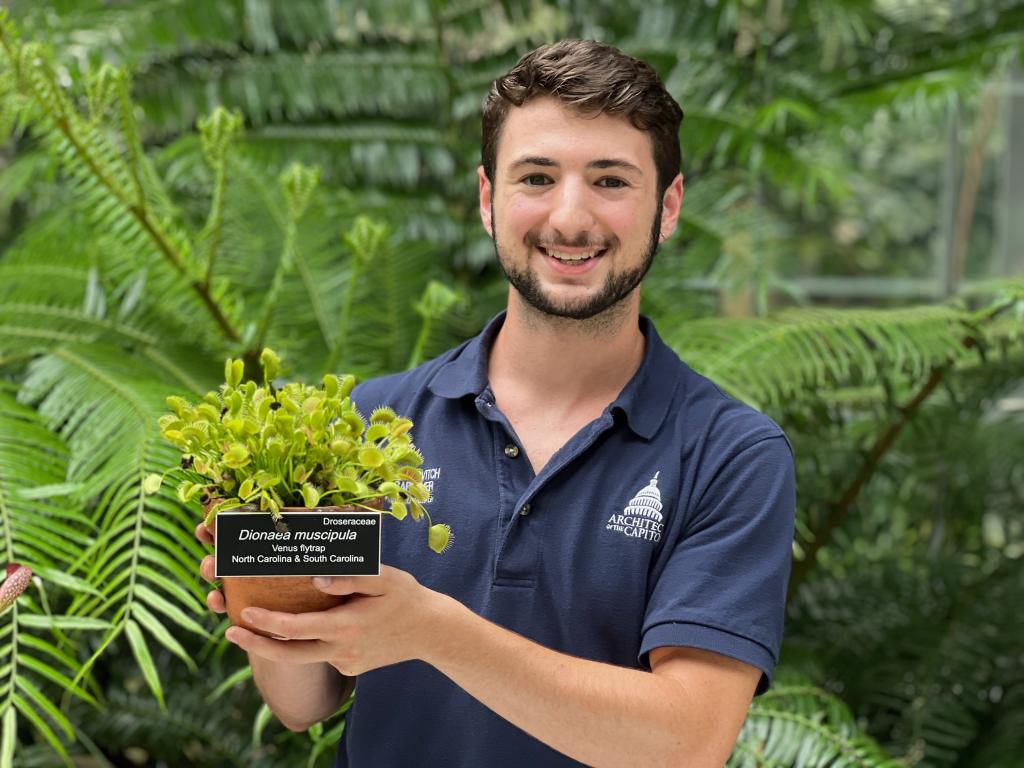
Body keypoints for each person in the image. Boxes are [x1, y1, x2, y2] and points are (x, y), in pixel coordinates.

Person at [197, 39, 795, 768]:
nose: (570, 218)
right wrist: (269, 594)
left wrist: (435, 631)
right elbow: (304, 702)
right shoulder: (364, 425)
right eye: (537, 177)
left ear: (667, 208)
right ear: (487, 200)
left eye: (610, 180)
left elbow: (685, 741)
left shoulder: (729, 453)